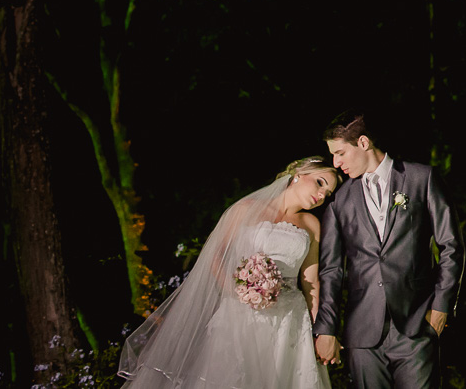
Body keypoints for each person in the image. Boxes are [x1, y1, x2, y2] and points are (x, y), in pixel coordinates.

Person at [118, 157, 342, 389]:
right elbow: (215, 256)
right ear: (298, 174)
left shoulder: (311, 224)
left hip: (290, 321)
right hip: (241, 316)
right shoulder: (246, 209)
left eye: (328, 193)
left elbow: (311, 283)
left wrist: (320, 332)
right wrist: (238, 292)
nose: (323, 195)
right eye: (320, 183)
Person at [314, 111, 464, 389]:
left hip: (417, 326)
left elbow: (451, 246)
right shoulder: (339, 202)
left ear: (363, 143)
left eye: (340, 153)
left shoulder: (422, 179)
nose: (336, 163)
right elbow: (332, 270)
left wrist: (442, 305)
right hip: (362, 335)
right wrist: (326, 328)